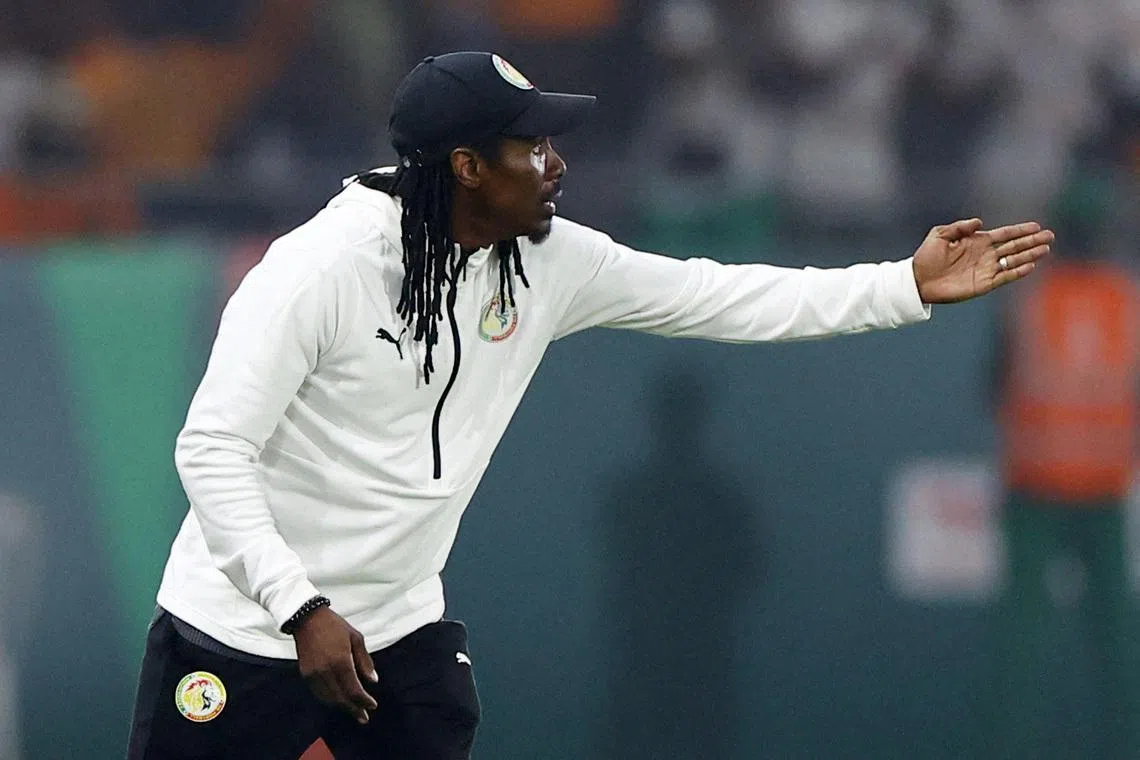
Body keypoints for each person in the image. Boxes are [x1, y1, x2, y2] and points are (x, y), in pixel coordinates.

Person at [126, 51, 1053, 760]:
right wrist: (299, 609)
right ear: (466, 167)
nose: (555, 164)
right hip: (242, 631)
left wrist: (904, 286)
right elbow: (211, 449)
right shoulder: (317, 271)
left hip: (396, 631)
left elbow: (719, 297)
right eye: (531, 146)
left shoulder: (549, 261)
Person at [989, 199, 1139, 760]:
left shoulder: (1027, 300)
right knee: (1118, 645)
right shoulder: (1128, 300)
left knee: (1021, 649)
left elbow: (994, 386)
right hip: (1103, 485)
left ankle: (1007, 748)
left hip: (1037, 484)